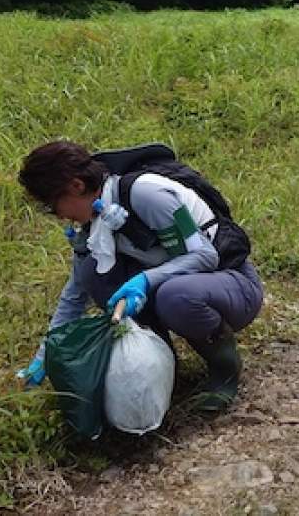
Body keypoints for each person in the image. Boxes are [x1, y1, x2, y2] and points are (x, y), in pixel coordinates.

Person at [16, 141, 264, 412]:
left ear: (76, 186)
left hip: (231, 283)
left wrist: (145, 280)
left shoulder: (146, 193)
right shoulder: (94, 224)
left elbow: (206, 256)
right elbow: (75, 294)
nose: (60, 215)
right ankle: (163, 366)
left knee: (176, 295)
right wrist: (45, 355)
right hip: (180, 285)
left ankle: (224, 370)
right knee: (94, 274)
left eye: (54, 205)